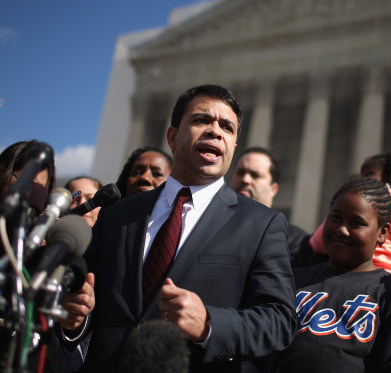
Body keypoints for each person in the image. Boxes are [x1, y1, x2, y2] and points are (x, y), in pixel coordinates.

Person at [59, 84, 297, 373]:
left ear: (233, 146)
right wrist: (75, 318)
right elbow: (84, 301)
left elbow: (280, 321)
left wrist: (209, 324)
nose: (215, 131)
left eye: (227, 127)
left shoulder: (262, 225)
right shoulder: (117, 215)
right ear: (172, 136)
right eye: (201, 120)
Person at [269, 177, 391, 372]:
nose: (342, 230)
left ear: (382, 233)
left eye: (356, 223)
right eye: (336, 218)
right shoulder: (291, 280)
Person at [296, 153, 391, 286]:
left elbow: (317, 243)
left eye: (367, 174)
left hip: (360, 279)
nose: (360, 179)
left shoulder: (372, 202)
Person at [230, 146, 308, 259]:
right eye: (240, 172)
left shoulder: (297, 242)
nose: (245, 179)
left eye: (255, 175)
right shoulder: (211, 224)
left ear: (273, 189)